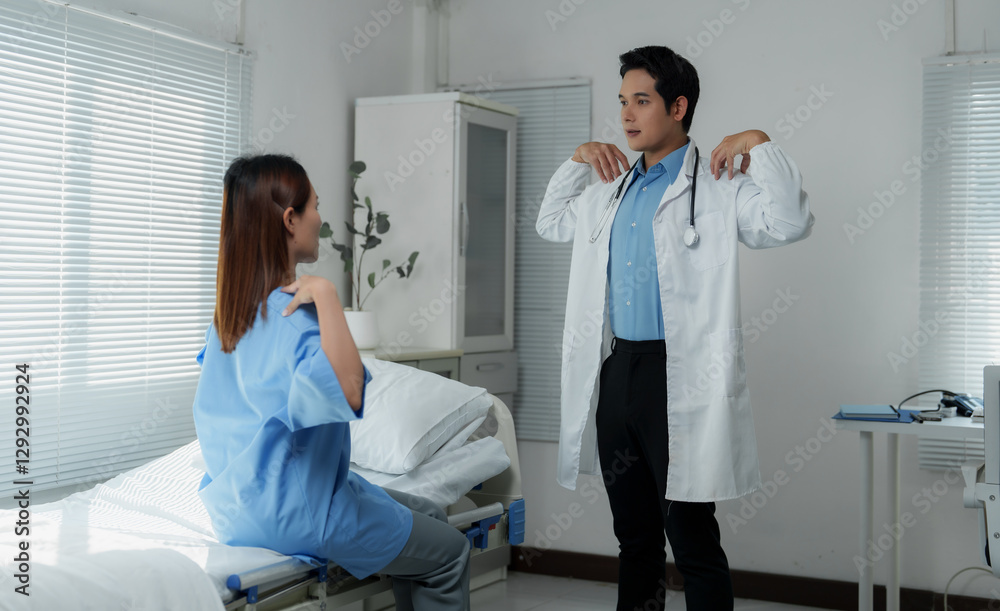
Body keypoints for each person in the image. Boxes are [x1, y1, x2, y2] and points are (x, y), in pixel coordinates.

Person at [535, 46, 814, 610]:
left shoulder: (718, 186)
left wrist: (759, 142)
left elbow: (790, 220)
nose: (627, 116)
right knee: (634, 539)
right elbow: (549, 223)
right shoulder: (607, 190)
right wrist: (575, 160)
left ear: (679, 106)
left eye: (642, 101)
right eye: (622, 102)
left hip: (679, 376)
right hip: (619, 372)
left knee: (690, 538)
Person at [192, 154, 470, 611]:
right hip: (303, 513)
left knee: (431, 514)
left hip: (237, 510)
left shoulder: (228, 319)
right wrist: (325, 293)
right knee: (450, 553)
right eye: (315, 207)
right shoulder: (297, 322)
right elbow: (351, 390)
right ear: (289, 219)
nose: (321, 219)